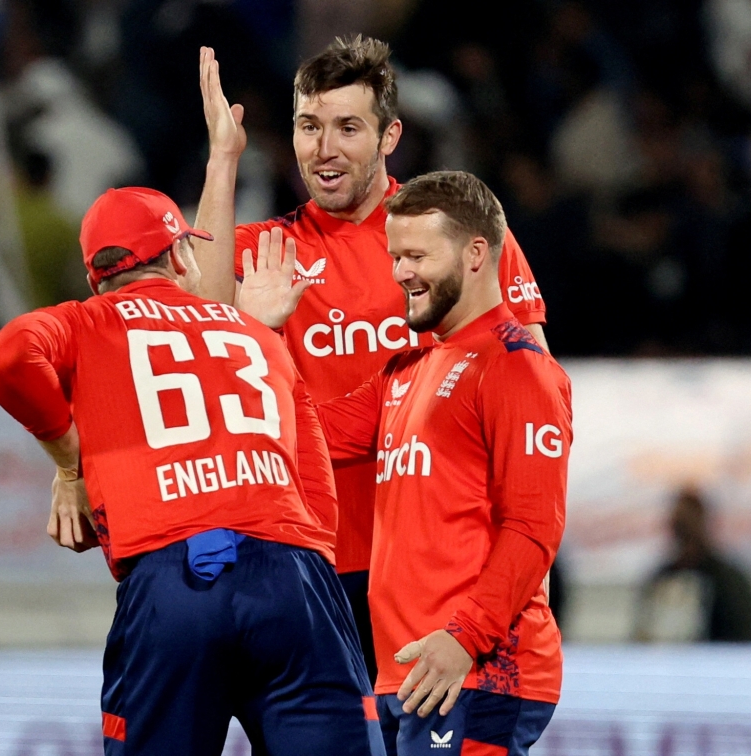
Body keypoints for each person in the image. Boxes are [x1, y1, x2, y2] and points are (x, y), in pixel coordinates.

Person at [193, 36, 550, 685]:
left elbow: (529, 378)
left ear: (390, 137)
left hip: (442, 571)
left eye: (347, 128)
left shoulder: (457, 235)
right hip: (315, 570)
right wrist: (223, 159)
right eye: (309, 127)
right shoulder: (271, 251)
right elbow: (191, 319)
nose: (324, 148)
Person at [0, 187, 385, 756]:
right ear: (177, 257)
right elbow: (315, 488)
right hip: (293, 578)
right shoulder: (254, 335)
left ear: (97, 278)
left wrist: (70, 463)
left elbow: (6, 358)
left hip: (173, 583)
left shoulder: (86, 322)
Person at [242, 170, 571, 756]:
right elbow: (301, 432)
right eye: (395, 256)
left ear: (475, 255)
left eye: (416, 255)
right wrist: (263, 336)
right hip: (408, 674)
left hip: (473, 670)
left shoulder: (517, 369)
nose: (400, 273)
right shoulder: (409, 370)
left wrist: (464, 640)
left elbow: (533, 528)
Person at [634, 487, 751, 643]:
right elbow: (643, 637)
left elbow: (746, 639)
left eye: (688, 525)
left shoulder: (728, 582)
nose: (685, 533)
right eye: (681, 525)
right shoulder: (662, 578)